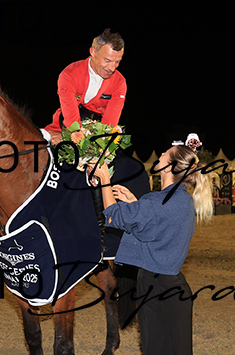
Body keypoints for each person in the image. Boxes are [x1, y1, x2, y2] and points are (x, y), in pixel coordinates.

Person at [89, 144, 214, 355]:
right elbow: (156, 224)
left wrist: (104, 179)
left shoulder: (156, 202)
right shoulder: (182, 198)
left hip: (155, 289)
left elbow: (113, 216)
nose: (161, 153)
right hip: (175, 287)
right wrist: (135, 203)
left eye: (165, 153)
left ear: (169, 167)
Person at [45, 28, 126, 145]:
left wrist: (98, 143)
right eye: (107, 60)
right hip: (62, 129)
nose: (112, 68)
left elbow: (110, 122)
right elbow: (71, 118)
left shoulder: (119, 82)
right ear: (93, 52)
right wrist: (76, 134)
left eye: (117, 62)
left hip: (96, 135)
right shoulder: (69, 74)